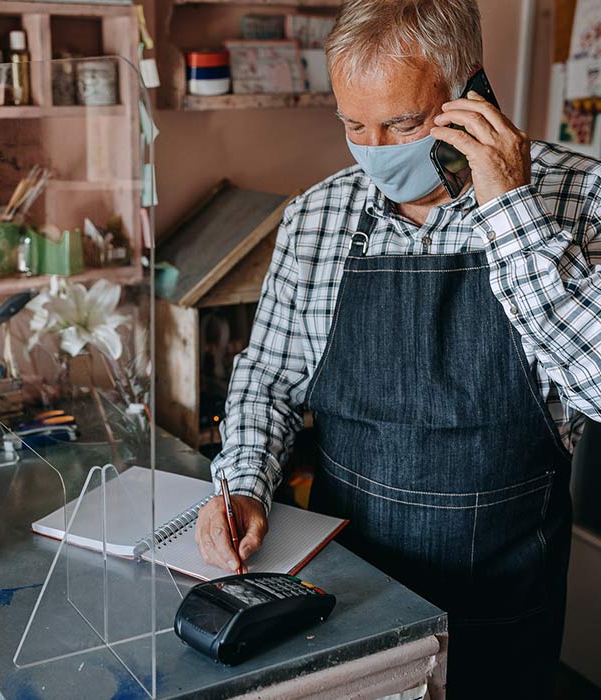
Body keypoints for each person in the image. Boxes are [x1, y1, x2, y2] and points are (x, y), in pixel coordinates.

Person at [194, 0, 601, 697]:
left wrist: (510, 210)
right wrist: (245, 483)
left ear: (470, 91)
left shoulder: (582, 198)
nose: (375, 148)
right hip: (343, 598)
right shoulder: (317, 216)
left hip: (502, 609)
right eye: (355, 125)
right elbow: (267, 380)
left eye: (402, 124)